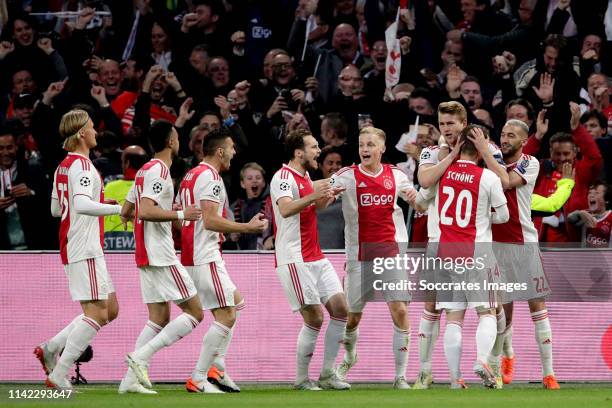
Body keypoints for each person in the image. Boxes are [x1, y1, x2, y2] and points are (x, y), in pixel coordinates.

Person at [415, 126, 509, 389]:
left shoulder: (442, 174)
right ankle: (482, 359)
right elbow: (503, 216)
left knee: (453, 317)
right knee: (487, 311)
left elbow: (422, 201)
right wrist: (483, 217)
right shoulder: (487, 177)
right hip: (476, 251)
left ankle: (456, 380)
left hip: (445, 252)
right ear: (480, 150)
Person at [34, 109, 122, 390]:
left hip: (84, 245)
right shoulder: (82, 167)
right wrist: (120, 209)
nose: (96, 132)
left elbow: (55, 208)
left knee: (110, 310)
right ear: (82, 132)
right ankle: (59, 373)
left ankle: (51, 347)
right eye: (93, 128)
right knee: (96, 314)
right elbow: (81, 205)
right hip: (83, 246)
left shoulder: (64, 166)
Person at [178, 128, 267, 393]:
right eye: (231, 148)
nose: (234, 152)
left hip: (196, 251)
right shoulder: (210, 177)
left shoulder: (191, 175)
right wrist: (247, 227)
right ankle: (199, 376)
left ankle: (218, 368)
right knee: (226, 314)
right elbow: (210, 220)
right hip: (204, 255)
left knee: (235, 303)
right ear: (220, 151)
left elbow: (180, 214)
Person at [119, 120, 204, 393]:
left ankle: (128, 382)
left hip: (145, 253)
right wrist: (181, 214)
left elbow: (127, 209)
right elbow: (144, 210)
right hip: (161, 254)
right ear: (170, 141)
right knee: (195, 312)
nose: (179, 141)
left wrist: (167, 211)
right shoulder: (159, 171)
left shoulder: (145, 169)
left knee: (159, 317)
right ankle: (140, 357)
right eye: (177, 137)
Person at [331, 127, 418, 389]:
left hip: (390, 254)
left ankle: (400, 376)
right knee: (352, 317)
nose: (365, 149)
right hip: (359, 257)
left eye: (370, 144)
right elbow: (322, 197)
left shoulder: (396, 175)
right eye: (361, 145)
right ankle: (349, 356)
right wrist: (323, 194)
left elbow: (420, 203)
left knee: (400, 310)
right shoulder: (346, 177)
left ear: (382, 148)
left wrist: (417, 199)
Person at [270, 129, 349, 390]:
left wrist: (328, 195)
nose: (319, 151)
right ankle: (302, 379)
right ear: (298, 152)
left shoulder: (305, 177)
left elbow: (314, 208)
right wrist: (315, 195)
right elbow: (285, 208)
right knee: (314, 318)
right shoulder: (282, 177)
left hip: (316, 255)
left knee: (340, 310)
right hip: (294, 258)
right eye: (314, 147)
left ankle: (327, 374)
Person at [490, 119, 560, 390]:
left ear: (523, 141)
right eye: (503, 133)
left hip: (524, 245)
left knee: (537, 308)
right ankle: (504, 360)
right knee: (501, 312)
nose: (505, 138)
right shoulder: (491, 161)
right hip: (495, 247)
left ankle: (549, 373)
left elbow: (508, 182)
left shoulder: (530, 163)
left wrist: (487, 153)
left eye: (512, 135)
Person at [103, 145, 148, 250]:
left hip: (109, 245)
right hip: (141, 244)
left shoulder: (109, 187)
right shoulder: (149, 188)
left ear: (126, 163)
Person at [568, 181, 612, 248]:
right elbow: (570, 218)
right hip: (587, 257)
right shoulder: (585, 214)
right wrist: (579, 213)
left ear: (606, 200)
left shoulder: (610, 217)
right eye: (589, 193)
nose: (591, 195)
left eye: (596, 193)